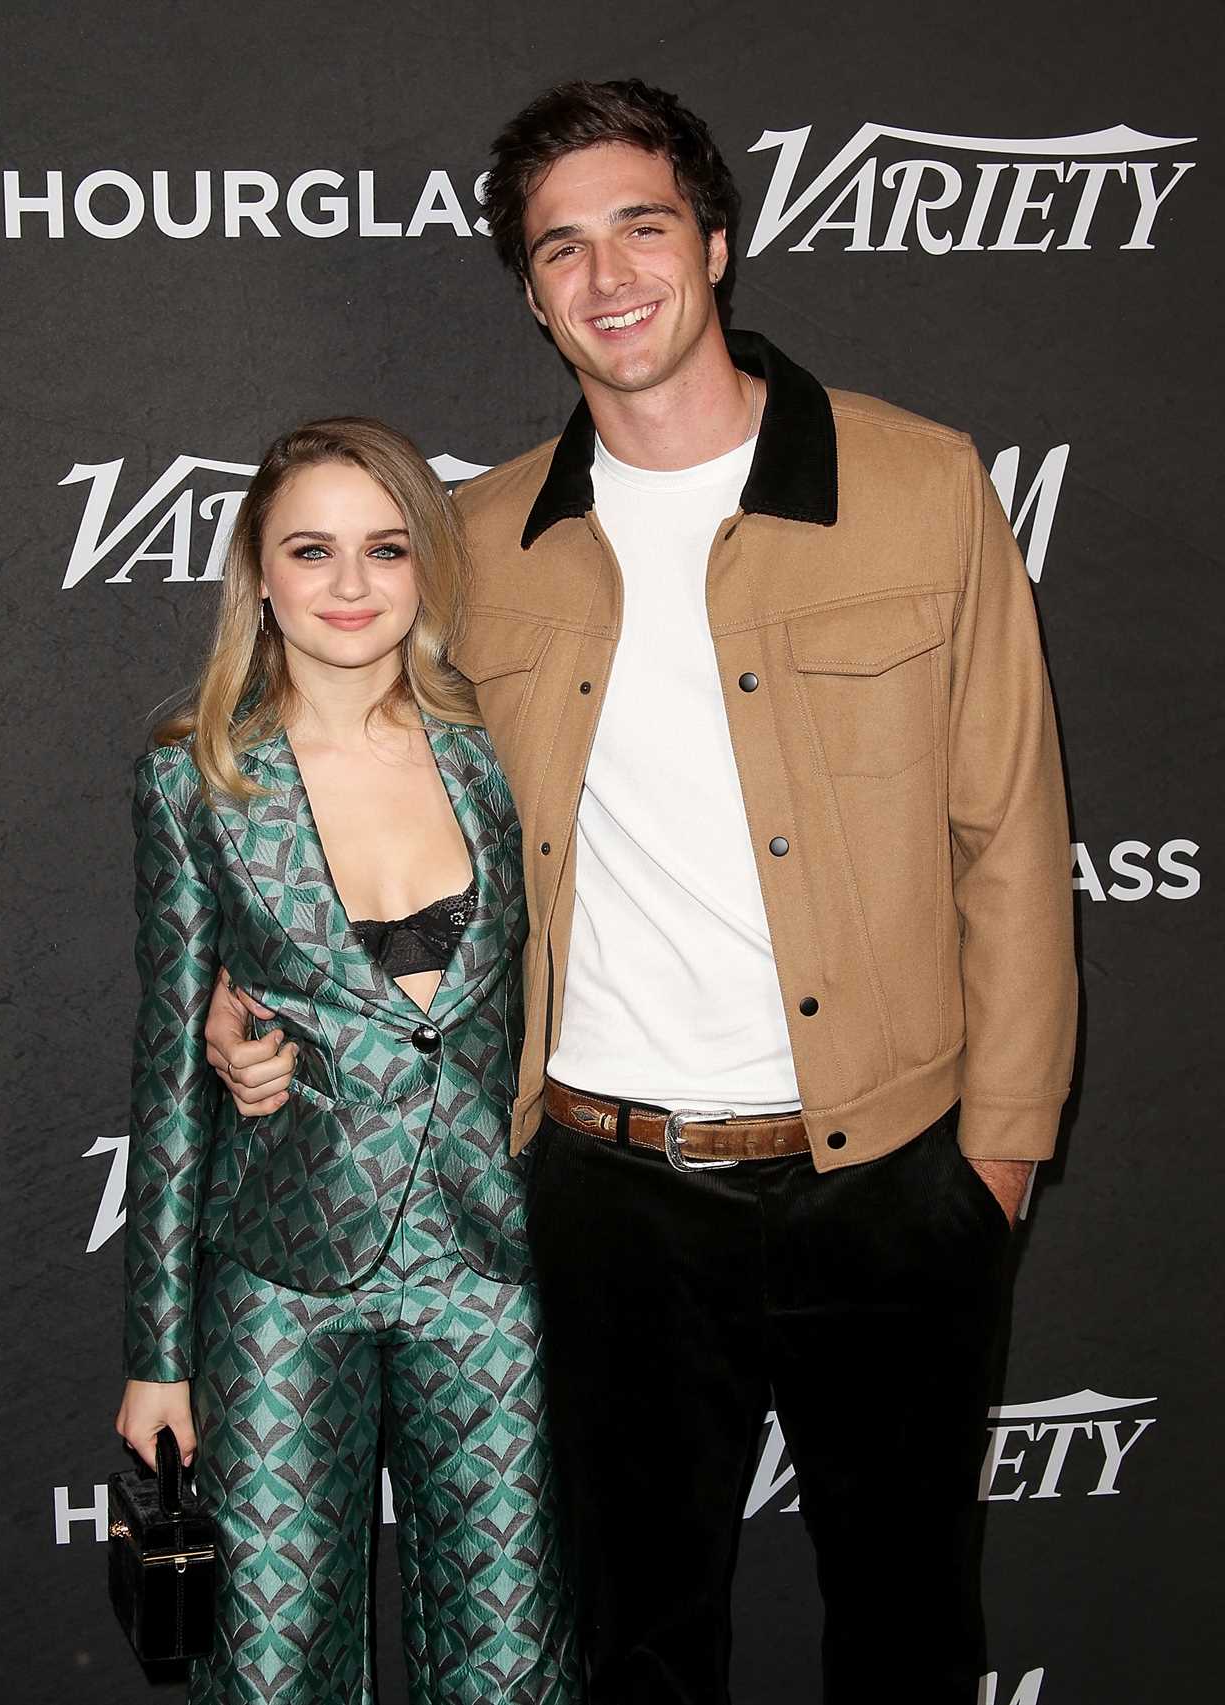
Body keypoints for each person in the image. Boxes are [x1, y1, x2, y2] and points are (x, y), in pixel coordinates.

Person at [209, 80, 1077, 1705]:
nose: (608, 276)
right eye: (561, 248)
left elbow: (1011, 834)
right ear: (531, 293)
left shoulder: (919, 484)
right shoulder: (474, 542)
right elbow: (346, 781)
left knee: (907, 1633)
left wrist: (998, 1161)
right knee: (634, 1646)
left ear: (719, 244)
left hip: (890, 1174)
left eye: (642, 227)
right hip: (604, 1193)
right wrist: (239, 978)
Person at [115, 416, 579, 1704]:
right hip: (280, 1283)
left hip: (486, 1274)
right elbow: (163, 1081)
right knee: (270, 1666)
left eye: (385, 549)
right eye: (311, 551)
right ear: (258, 574)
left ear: (425, 567)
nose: (352, 586)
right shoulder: (196, 780)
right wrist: (159, 1353)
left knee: (509, 1657)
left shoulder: (499, 756)